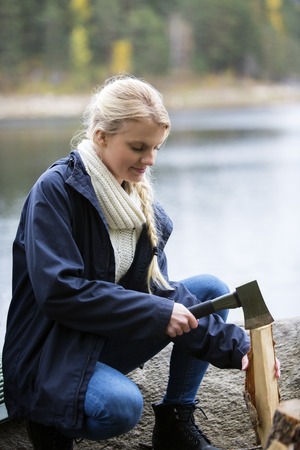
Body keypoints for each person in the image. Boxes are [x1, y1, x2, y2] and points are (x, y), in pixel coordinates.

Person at [2, 75, 279, 450]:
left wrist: (239, 348)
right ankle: (50, 424)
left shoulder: (136, 201)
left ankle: (175, 423)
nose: (148, 160)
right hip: (50, 353)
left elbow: (158, 290)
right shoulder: (54, 193)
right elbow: (60, 293)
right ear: (101, 136)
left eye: (156, 149)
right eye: (138, 147)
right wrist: (157, 312)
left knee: (208, 290)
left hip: (101, 337)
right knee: (121, 406)